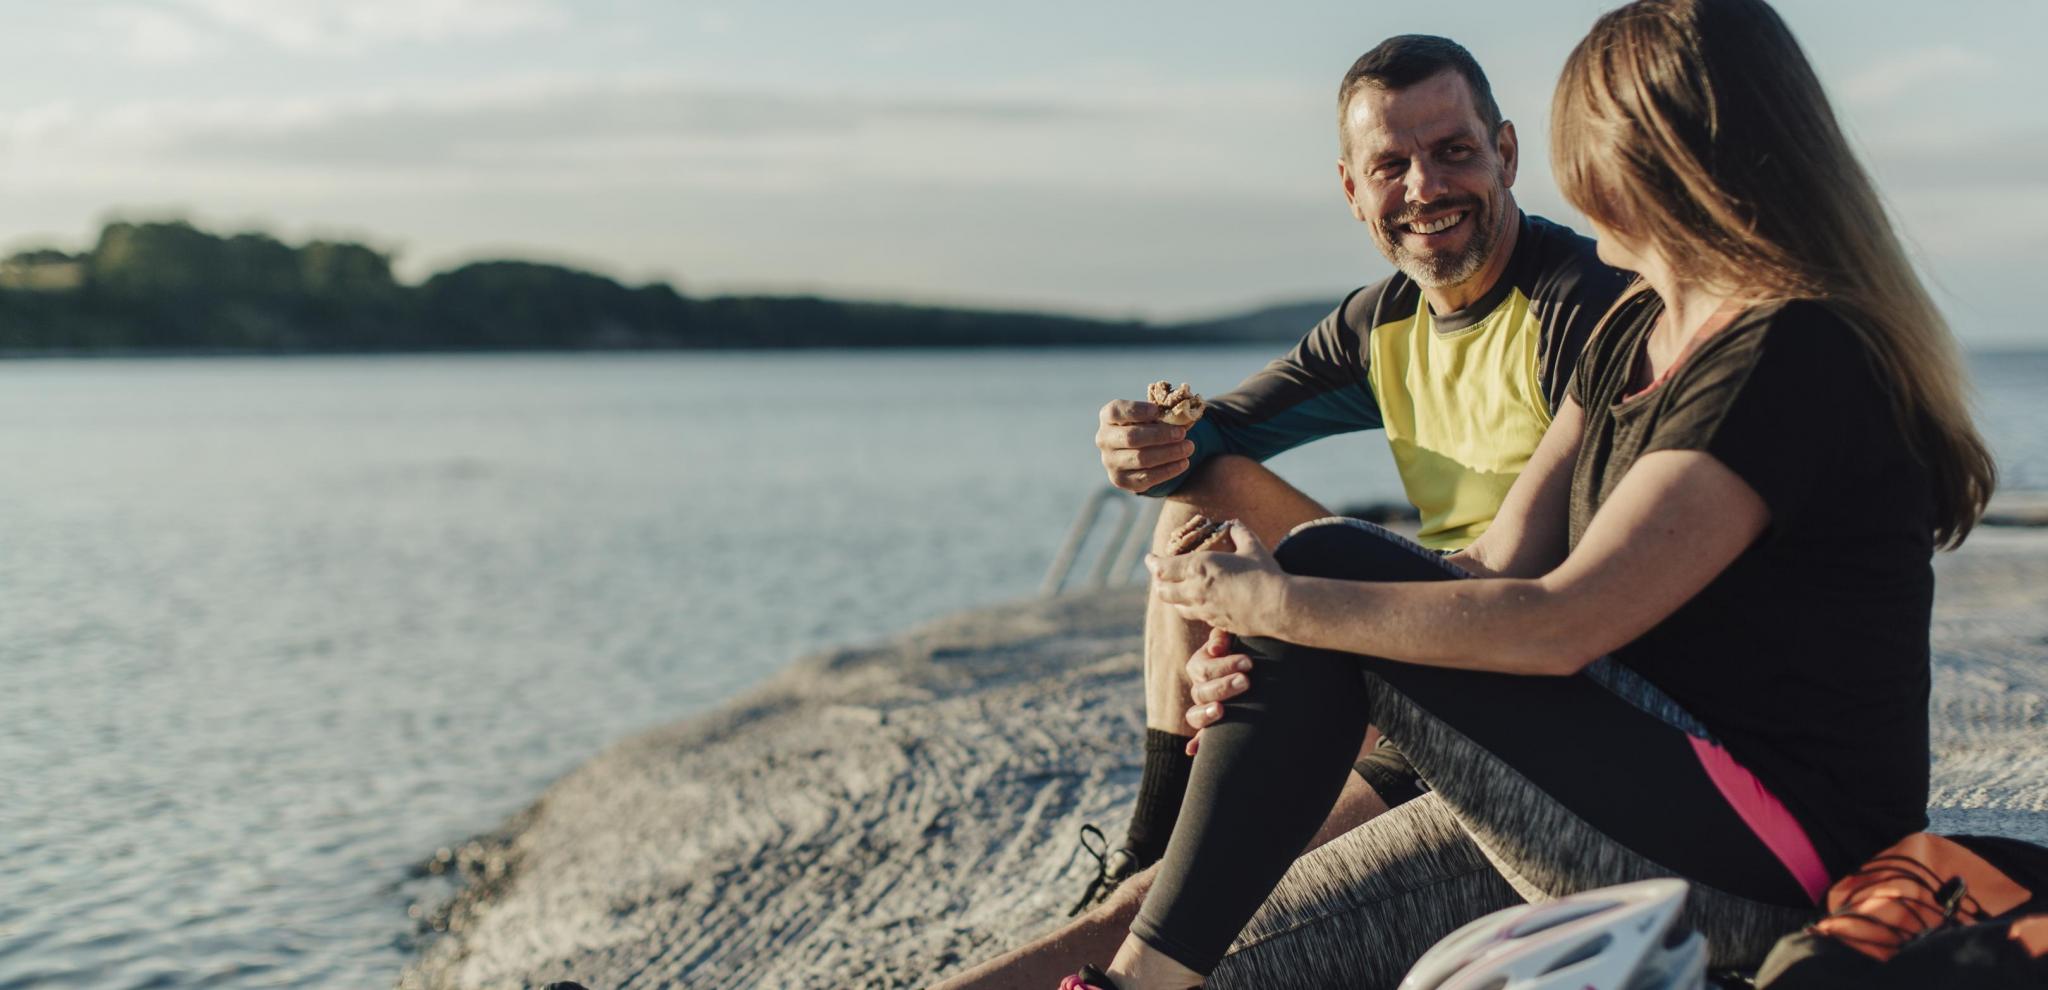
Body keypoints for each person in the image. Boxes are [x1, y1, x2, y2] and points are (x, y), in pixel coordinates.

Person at [1048, 0, 1997, 986]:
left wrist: (1284, 603)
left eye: (1567, 148)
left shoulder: (1787, 352)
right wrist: (1276, 640)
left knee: (1322, 566)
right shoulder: (1631, 330)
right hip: (1623, 795)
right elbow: (1484, 571)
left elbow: (1561, 623)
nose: (1562, 190)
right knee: (1249, 956)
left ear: (1643, 159)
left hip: (1777, 860)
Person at [1072, 32, 1628, 926]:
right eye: (1391, 165)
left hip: (1524, 657)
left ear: (1507, 153)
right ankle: (1154, 830)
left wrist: (1285, 621)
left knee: (1215, 905)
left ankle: (1168, 874)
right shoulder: (1381, 325)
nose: (1424, 189)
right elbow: (1213, 439)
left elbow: (1559, 586)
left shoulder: (1582, 303)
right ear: (1351, 189)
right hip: (1409, 637)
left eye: (1453, 152)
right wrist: (1143, 442)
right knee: (1193, 504)